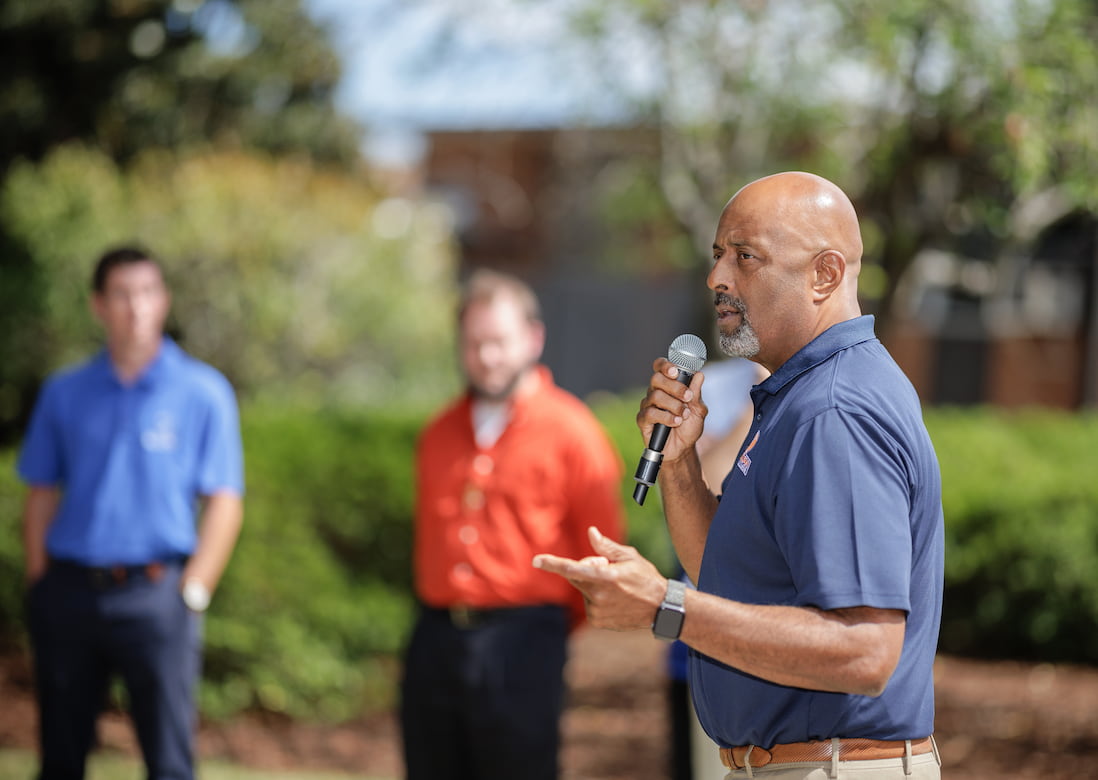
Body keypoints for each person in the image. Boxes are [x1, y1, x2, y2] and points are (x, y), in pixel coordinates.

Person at [534, 172, 945, 779]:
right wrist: (679, 463)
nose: (717, 278)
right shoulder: (799, 395)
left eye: (745, 257)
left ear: (824, 275)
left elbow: (864, 650)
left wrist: (665, 606)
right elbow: (731, 580)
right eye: (718, 255)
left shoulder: (836, 411)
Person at [17, 246, 245, 780]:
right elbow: (42, 493)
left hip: (157, 595)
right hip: (71, 593)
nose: (135, 307)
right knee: (60, 759)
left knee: (168, 762)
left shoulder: (202, 392)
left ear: (163, 301)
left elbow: (225, 501)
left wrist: (195, 590)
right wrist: (40, 582)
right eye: (121, 294)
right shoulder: (64, 392)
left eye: (146, 293)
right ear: (99, 305)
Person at [400, 269, 626, 780]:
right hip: (434, 637)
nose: (487, 357)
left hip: (525, 638)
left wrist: (549, 629)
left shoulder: (573, 432)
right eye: (474, 343)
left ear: (533, 338)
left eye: (499, 342)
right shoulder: (438, 432)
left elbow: (602, 551)